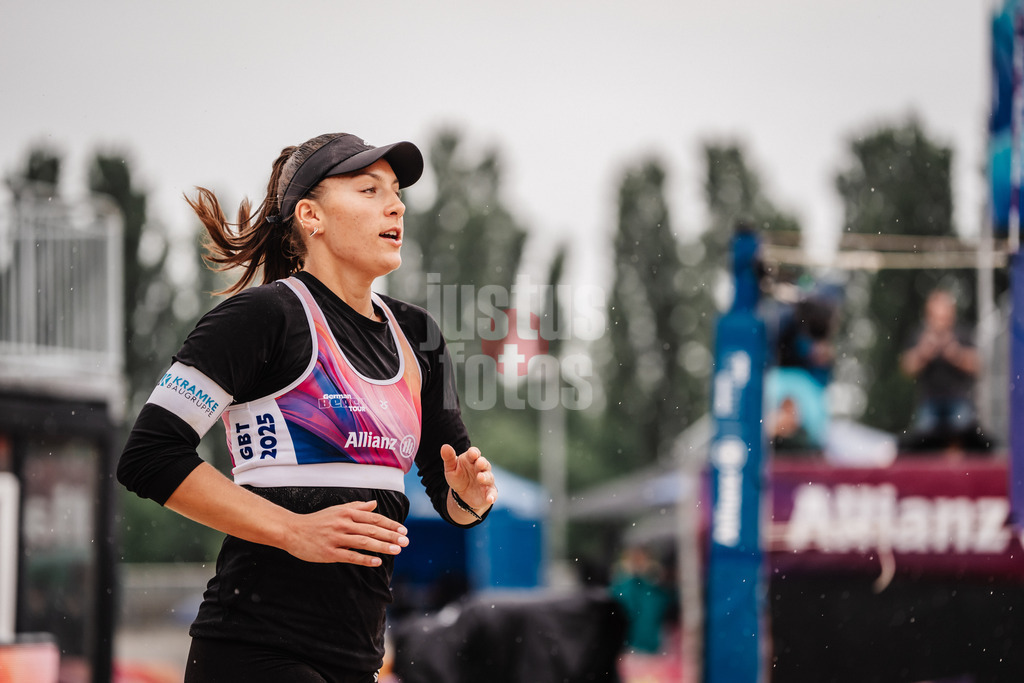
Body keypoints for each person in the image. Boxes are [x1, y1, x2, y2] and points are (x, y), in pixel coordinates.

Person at [117, 132, 498, 683]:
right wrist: (295, 530)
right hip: (254, 649)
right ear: (310, 216)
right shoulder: (262, 317)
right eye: (369, 190)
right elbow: (149, 456)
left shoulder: (420, 336)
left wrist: (470, 500)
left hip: (356, 661)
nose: (396, 205)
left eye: (396, 193)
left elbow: (449, 493)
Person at [899, 289, 980, 450]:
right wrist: (923, 352)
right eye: (936, 316)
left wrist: (956, 354)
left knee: (964, 431)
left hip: (959, 400)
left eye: (944, 316)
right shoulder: (919, 335)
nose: (940, 322)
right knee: (923, 438)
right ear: (929, 316)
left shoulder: (962, 334)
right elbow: (907, 368)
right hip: (929, 402)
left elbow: (977, 366)